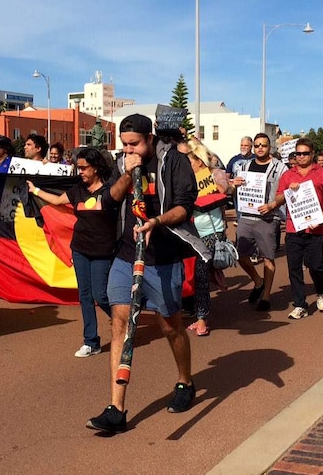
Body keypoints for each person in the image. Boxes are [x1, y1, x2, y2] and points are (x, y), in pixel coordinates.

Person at [86, 114, 209, 433]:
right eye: (125, 145)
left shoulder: (175, 161)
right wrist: (127, 175)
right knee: (120, 324)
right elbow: (109, 200)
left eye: (135, 144)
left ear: (150, 138)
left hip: (164, 258)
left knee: (171, 327)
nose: (130, 150)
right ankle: (116, 408)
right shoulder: (122, 161)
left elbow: (185, 206)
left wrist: (157, 222)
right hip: (128, 255)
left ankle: (185, 381)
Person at [27, 147, 117, 357]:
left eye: (84, 168)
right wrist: (35, 191)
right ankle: (91, 342)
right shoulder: (77, 189)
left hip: (103, 250)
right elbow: (58, 201)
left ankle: (122, 320)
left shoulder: (112, 190)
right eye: (79, 168)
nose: (81, 172)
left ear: (95, 168)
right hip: (80, 249)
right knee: (85, 295)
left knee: (100, 294)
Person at [275, 138, 323, 319]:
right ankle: (300, 304)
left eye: (305, 153)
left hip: (315, 228)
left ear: (312, 154)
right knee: (294, 267)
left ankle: (322, 290)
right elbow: (279, 198)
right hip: (294, 228)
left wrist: (322, 217)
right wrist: (289, 191)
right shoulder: (288, 176)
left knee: (316, 265)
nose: (301, 157)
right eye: (298, 153)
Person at [227, 133, 287, 312]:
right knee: (240, 254)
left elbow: (285, 193)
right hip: (246, 215)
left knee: (268, 256)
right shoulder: (244, 166)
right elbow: (232, 189)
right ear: (253, 148)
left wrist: (273, 205)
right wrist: (233, 185)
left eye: (264, 145)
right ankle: (258, 281)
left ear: (270, 147)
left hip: (268, 217)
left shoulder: (279, 167)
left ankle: (266, 297)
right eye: (257, 145)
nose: (260, 148)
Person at [184, 140, 229, 336]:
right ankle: (215, 275)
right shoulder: (185, 179)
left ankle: (202, 318)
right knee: (195, 274)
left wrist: (210, 182)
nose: (188, 165)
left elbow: (224, 189)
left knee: (201, 276)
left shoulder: (214, 173)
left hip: (212, 232)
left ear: (199, 161)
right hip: (193, 233)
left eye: (191, 161)